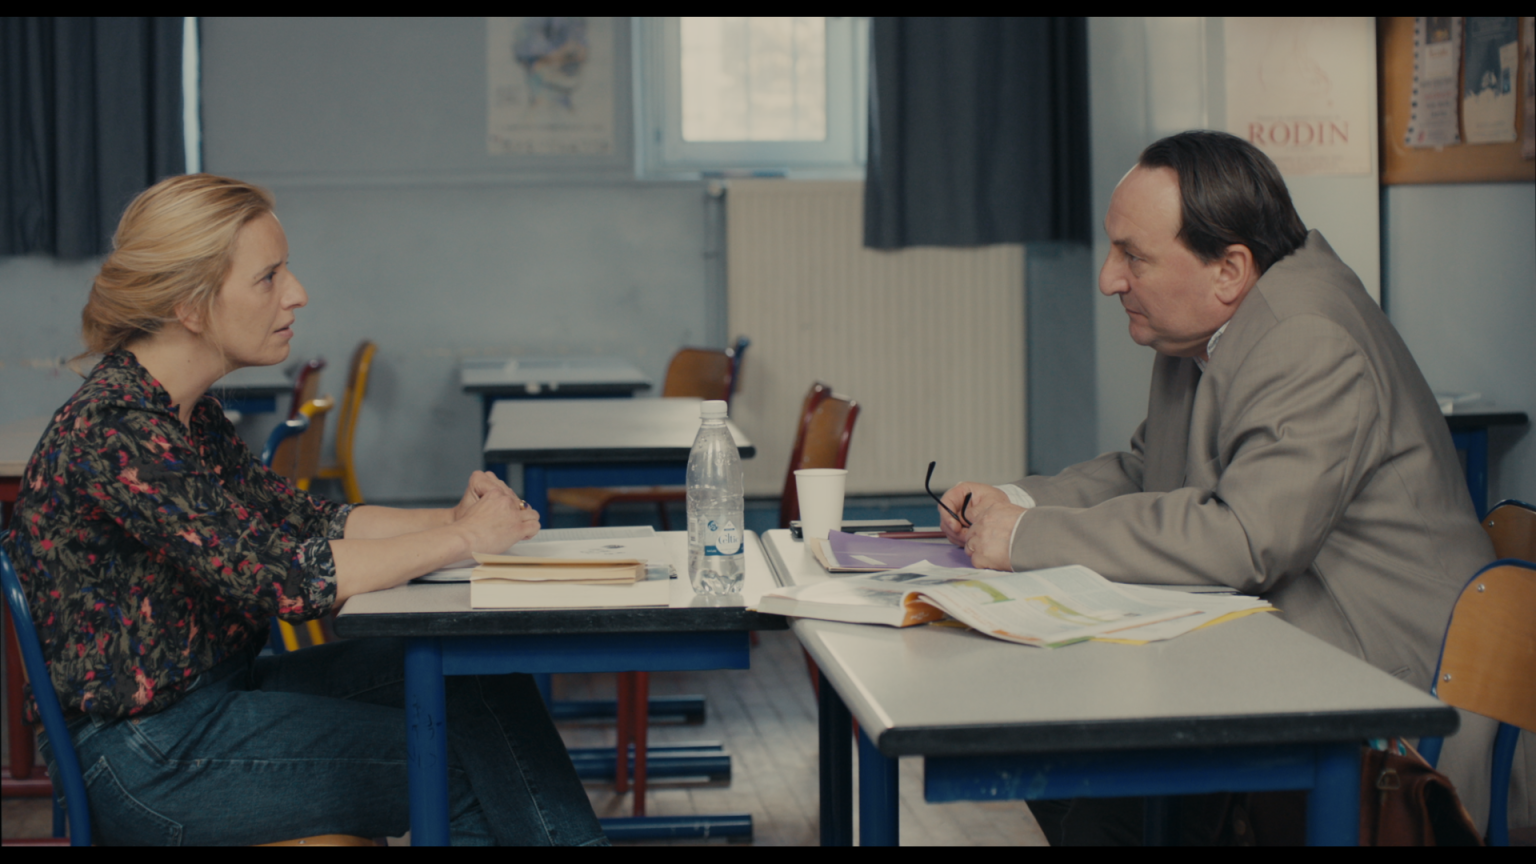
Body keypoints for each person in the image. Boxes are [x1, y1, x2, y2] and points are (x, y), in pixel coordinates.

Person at [940, 131, 1526, 844]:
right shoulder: (1203, 328)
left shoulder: (1309, 338)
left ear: (1229, 269)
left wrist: (1027, 539)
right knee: (1067, 773)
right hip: (1277, 666)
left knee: (1093, 794)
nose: (1109, 279)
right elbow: (1148, 471)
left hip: (1392, 719)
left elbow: (1246, 539)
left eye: (1133, 256)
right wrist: (1014, 504)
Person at [0, 174, 606, 846]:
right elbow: (283, 579)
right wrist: (466, 540)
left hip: (215, 702)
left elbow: (307, 522)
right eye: (269, 277)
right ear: (190, 306)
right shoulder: (118, 429)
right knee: (452, 766)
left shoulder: (185, 415)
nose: (297, 293)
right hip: (146, 758)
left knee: (477, 681)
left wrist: (450, 519)